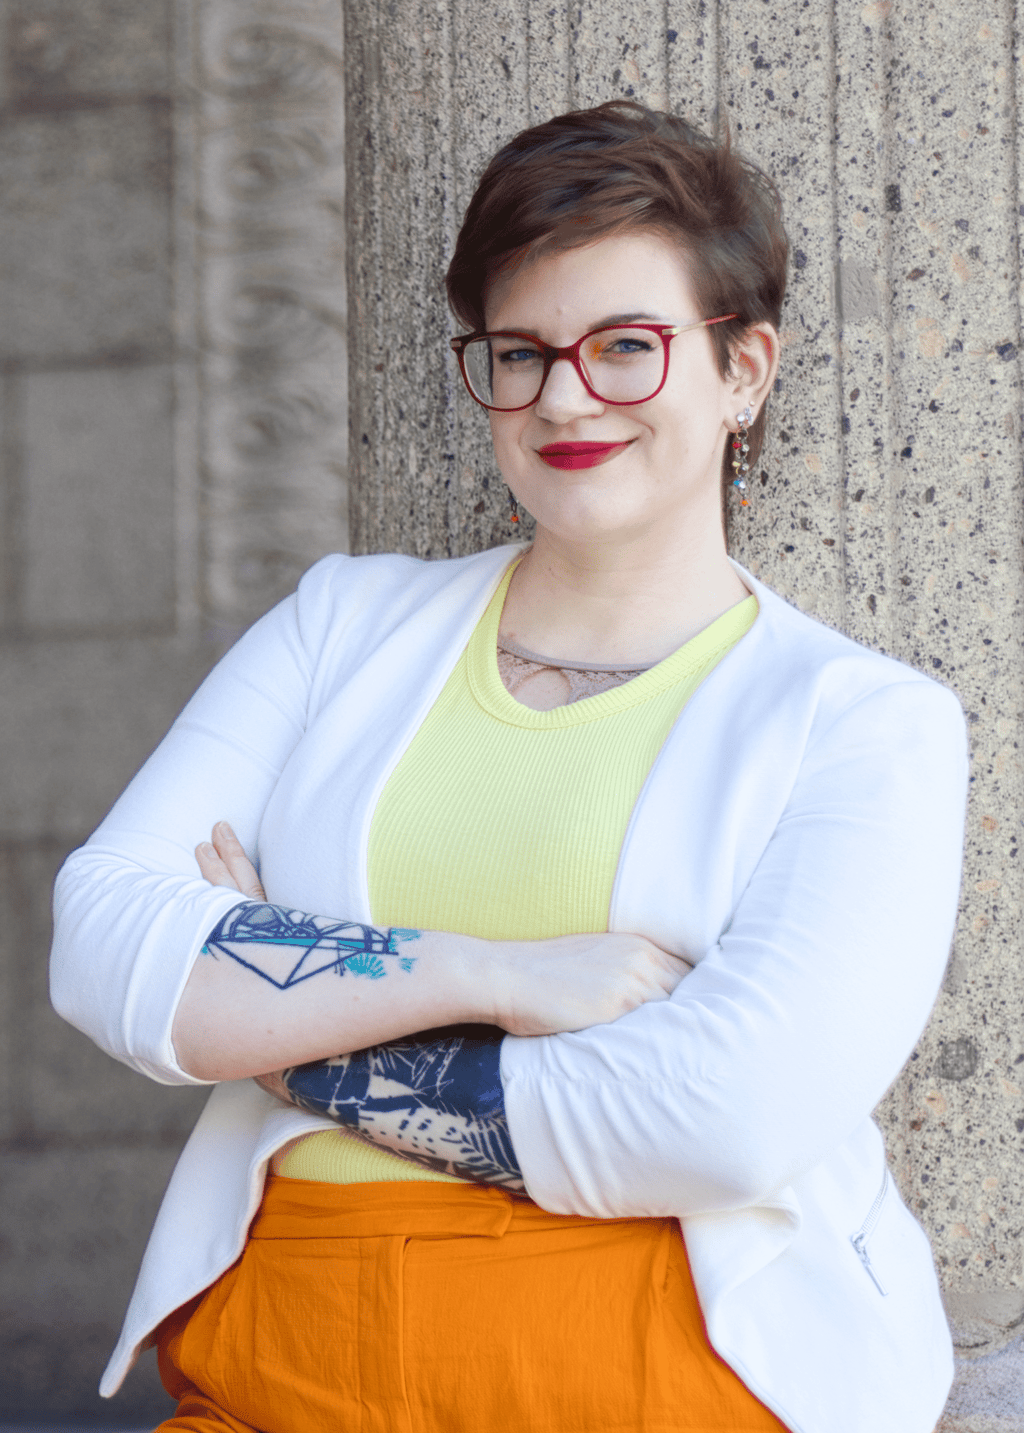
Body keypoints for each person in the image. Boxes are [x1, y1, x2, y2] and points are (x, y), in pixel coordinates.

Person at [51, 102, 967, 1433]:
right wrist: (488, 973)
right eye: (520, 353)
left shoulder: (864, 722)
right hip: (279, 1373)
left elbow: (726, 1119)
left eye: (627, 347)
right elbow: (105, 944)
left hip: (657, 1382)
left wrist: (290, 1044)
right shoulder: (342, 625)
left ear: (744, 369)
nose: (563, 398)